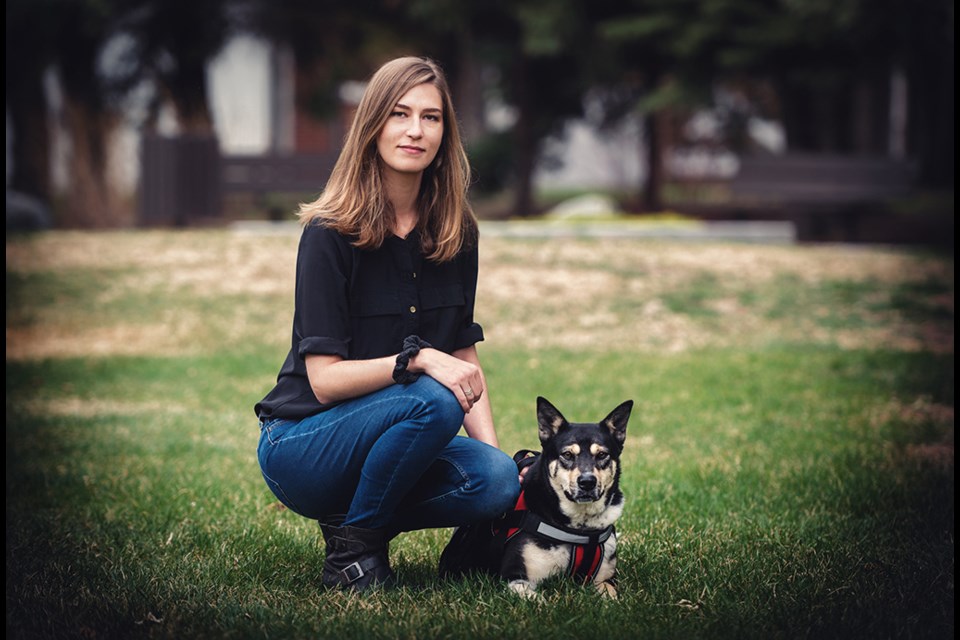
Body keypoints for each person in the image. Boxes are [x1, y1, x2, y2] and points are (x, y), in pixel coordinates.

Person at [254, 56, 520, 592]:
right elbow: (325, 381)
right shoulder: (329, 234)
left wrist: (498, 464)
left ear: (446, 134)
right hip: (304, 445)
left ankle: (353, 524)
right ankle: (355, 556)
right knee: (433, 396)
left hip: (401, 431)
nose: (415, 131)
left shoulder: (456, 232)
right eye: (399, 114)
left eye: (431, 117)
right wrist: (417, 359)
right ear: (373, 125)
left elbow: (462, 354)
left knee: (494, 480)